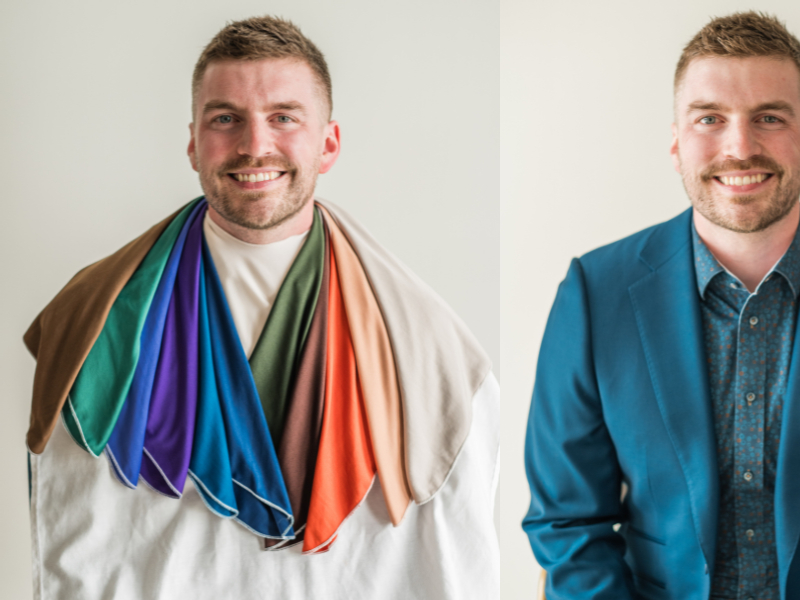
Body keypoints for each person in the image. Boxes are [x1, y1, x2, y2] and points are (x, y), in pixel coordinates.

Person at [24, 16, 500, 599]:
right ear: (194, 143)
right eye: (226, 119)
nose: (255, 144)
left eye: (284, 118)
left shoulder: (431, 347)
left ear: (328, 144)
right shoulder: (88, 319)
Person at [522, 11, 800, 600]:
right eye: (710, 118)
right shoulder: (592, 296)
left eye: (769, 118)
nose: (740, 146)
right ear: (678, 144)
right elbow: (568, 522)